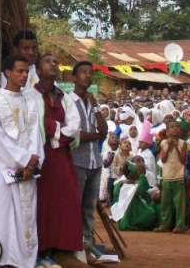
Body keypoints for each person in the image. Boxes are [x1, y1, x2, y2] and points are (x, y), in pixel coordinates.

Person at [0, 55, 43, 268]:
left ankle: (24, 261)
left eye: (27, 71)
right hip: (5, 171)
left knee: (25, 219)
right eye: (19, 71)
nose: (24, 75)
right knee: (2, 218)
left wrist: (33, 162)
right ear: (8, 73)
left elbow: (35, 133)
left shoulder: (31, 100)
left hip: (29, 172)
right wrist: (23, 160)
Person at [25, 53, 82, 267]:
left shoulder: (64, 96)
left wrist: (52, 128)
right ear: (38, 70)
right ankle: (40, 250)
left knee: (66, 198)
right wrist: (51, 129)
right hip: (38, 155)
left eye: (56, 62)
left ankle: (62, 248)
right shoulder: (30, 95)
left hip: (60, 155)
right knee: (40, 201)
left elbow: (74, 126)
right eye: (48, 61)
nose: (54, 64)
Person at [68, 61, 107, 260]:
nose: (88, 76)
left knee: (89, 208)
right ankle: (74, 247)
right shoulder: (68, 102)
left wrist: (97, 108)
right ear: (74, 77)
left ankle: (87, 246)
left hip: (95, 161)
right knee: (75, 206)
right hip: (77, 161)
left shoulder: (93, 102)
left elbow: (104, 131)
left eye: (90, 73)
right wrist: (95, 135)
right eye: (83, 72)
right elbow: (76, 136)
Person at [154, 120, 187, 233]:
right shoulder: (163, 143)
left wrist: (176, 147)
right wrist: (169, 147)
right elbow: (163, 159)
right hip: (167, 176)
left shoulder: (183, 143)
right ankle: (164, 224)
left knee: (179, 204)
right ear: (167, 131)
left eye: (177, 127)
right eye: (172, 127)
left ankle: (180, 225)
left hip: (179, 175)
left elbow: (183, 160)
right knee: (166, 203)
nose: (175, 129)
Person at [111, 159, 158, 231]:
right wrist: (142, 174)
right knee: (151, 213)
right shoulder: (139, 182)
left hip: (121, 218)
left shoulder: (119, 184)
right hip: (135, 213)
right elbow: (142, 191)